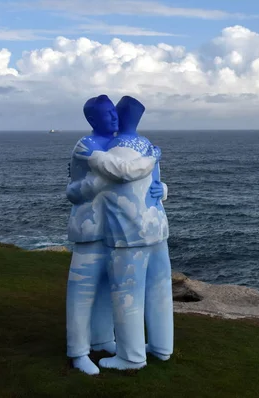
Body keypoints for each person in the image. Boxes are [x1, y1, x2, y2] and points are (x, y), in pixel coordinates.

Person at [65, 95, 160, 375]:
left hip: (112, 231)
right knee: (81, 294)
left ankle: (103, 339)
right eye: (107, 114)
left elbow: (134, 181)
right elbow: (73, 190)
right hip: (89, 229)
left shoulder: (115, 144)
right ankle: (78, 352)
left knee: (107, 290)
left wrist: (160, 188)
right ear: (93, 119)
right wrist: (150, 157)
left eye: (114, 112)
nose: (114, 117)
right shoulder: (86, 146)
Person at [95, 96, 174, 371]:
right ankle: (162, 347)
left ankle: (131, 357)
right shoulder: (150, 148)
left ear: (117, 116)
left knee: (127, 295)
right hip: (157, 230)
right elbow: (157, 186)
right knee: (160, 291)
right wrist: (164, 190)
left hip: (128, 234)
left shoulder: (112, 150)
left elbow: (117, 177)